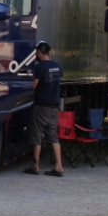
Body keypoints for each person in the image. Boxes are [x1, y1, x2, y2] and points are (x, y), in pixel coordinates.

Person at [25, 41, 65, 177]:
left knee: (37, 136)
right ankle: (59, 165)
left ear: (40, 52)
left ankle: (35, 166)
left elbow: (34, 86)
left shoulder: (40, 68)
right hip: (54, 106)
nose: (35, 54)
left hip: (41, 106)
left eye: (36, 52)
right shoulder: (57, 66)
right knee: (54, 137)